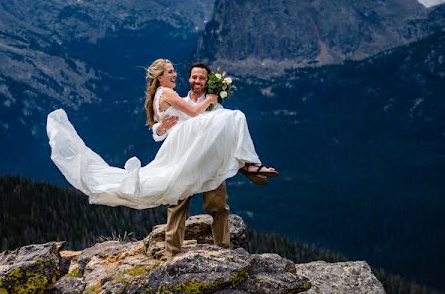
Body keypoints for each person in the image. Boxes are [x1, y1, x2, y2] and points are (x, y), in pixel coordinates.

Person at [46, 58, 277, 213]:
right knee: (235, 116)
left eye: (175, 71)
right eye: (170, 72)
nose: (174, 74)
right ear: (161, 76)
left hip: (195, 146)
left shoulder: (159, 94)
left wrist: (163, 125)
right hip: (185, 143)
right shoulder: (168, 92)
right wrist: (211, 99)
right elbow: (193, 114)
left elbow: (161, 123)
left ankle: (247, 163)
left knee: (229, 119)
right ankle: (248, 164)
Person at [151, 62, 256, 258]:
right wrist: (161, 127)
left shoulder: (217, 108)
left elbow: (225, 134)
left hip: (210, 163)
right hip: (185, 161)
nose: (197, 81)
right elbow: (160, 129)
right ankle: (172, 254)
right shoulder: (179, 100)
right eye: (194, 77)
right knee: (177, 205)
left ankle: (224, 250)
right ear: (189, 78)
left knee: (218, 206)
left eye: (201, 78)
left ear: (207, 81)